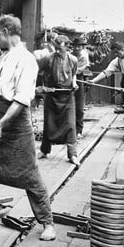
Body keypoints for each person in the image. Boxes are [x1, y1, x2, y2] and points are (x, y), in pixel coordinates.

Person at [0, 14, 56, 241]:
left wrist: (1, 124)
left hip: (16, 122)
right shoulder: (4, 57)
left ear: (6, 31)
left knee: (30, 175)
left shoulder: (26, 59)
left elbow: (22, 99)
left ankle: (47, 223)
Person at [37, 35, 80, 167]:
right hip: (52, 94)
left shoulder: (73, 59)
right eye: (56, 47)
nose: (57, 50)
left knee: (71, 125)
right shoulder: (48, 58)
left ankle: (72, 154)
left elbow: (74, 74)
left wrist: (74, 83)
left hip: (67, 95)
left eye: (60, 47)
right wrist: (42, 87)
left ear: (67, 47)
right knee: (49, 124)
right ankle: (44, 150)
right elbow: (37, 71)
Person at [91, 41, 124, 136]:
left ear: (123, 49)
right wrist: (93, 81)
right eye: (115, 53)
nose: (116, 54)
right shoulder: (117, 61)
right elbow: (106, 72)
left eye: (117, 52)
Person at [72, 36, 91, 139]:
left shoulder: (84, 56)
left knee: (79, 107)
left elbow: (79, 70)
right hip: (69, 79)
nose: (77, 48)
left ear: (82, 47)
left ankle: (79, 130)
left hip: (80, 79)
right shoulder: (70, 55)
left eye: (79, 47)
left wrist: (71, 71)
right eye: (75, 46)